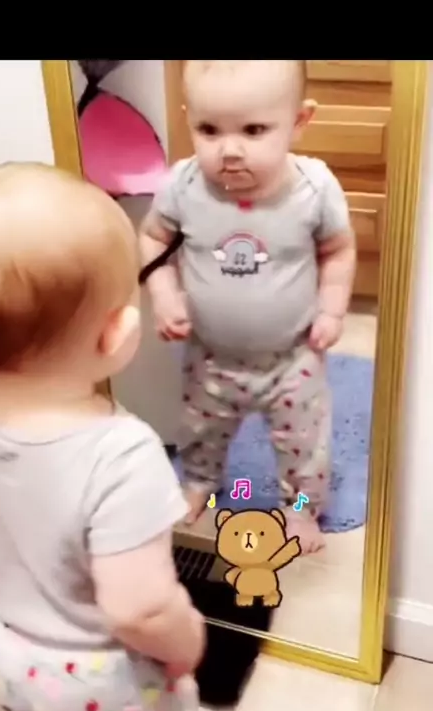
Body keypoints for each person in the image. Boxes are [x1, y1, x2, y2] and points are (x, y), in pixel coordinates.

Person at [0, 162, 214, 711]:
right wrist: (186, 638)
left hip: (8, 653)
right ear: (119, 332)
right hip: (105, 679)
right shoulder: (122, 453)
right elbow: (138, 607)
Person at [139, 60, 357, 554]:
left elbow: (338, 249)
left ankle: (301, 509)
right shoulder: (183, 186)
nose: (230, 150)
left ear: (299, 121)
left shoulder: (314, 189)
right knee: (201, 429)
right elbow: (152, 238)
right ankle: (199, 482)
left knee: (305, 444)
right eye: (209, 129)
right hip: (210, 355)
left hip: (292, 356)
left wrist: (332, 311)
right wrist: (164, 293)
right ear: (188, 118)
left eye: (254, 130)